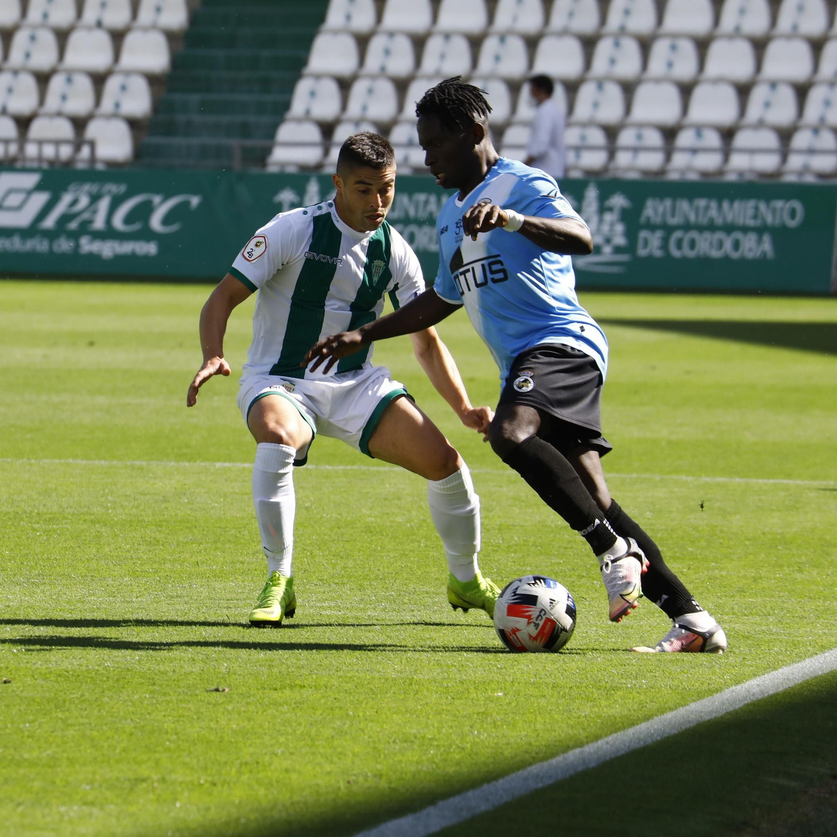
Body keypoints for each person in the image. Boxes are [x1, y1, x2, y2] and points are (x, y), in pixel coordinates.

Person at [302, 79, 727, 653]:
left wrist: (511, 220)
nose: (427, 158)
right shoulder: (452, 215)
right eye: (422, 147)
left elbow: (581, 237)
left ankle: (611, 550)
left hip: (562, 344)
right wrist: (365, 332)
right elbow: (442, 297)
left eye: (436, 144)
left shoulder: (524, 184)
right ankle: (693, 620)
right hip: (527, 363)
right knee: (595, 498)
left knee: (510, 433)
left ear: (473, 133)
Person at [188, 131, 501, 627]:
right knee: (277, 436)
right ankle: (279, 577)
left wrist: (463, 408)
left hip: (357, 385)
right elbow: (222, 296)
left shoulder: (395, 251)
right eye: (364, 189)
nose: (378, 202)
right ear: (337, 183)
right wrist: (213, 355)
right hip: (282, 379)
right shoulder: (292, 229)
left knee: (446, 464)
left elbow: (425, 341)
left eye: (387, 188)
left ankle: (465, 578)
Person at [523, 74, 567, 181]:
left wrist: (525, 165)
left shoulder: (545, 112)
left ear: (541, 90)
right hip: (553, 169)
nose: (531, 94)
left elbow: (541, 143)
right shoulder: (552, 109)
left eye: (532, 90)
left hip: (545, 171)